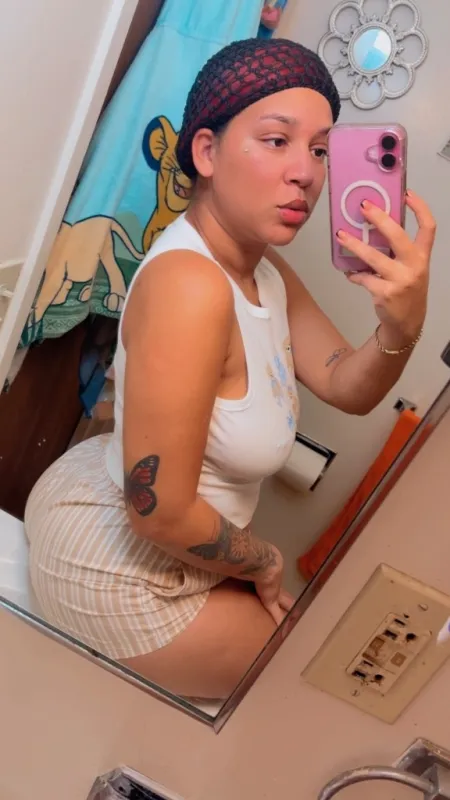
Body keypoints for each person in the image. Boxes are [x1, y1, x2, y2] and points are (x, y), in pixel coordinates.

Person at [24, 38, 436, 700]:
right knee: (297, 692)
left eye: (320, 150)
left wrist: (402, 326)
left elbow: (345, 384)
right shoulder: (191, 286)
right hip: (118, 561)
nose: (306, 172)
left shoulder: (265, 272)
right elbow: (159, 513)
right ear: (206, 153)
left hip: (158, 526)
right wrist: (265, 560)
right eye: (277, 140)